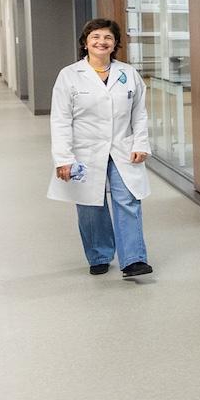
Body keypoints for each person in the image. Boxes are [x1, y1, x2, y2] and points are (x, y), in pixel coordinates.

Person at [49, 18, 154, 280]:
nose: (101, 42)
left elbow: (139, 113)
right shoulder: (69, 75)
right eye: (95, 37)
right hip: (84, 151)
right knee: (89, 205)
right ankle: (99, 255)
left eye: (107, 37)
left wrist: (141, 143)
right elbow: (60, 119)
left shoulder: (128, 73)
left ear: (115, 43)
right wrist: (63, 158)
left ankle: (133, 260)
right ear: (85, 43)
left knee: (128, 200)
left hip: (123, 147)